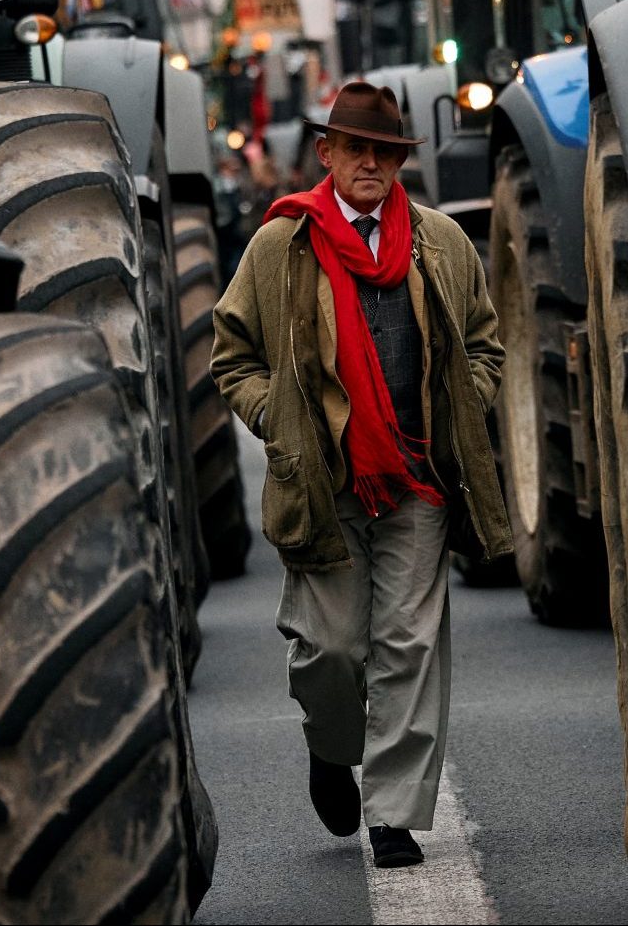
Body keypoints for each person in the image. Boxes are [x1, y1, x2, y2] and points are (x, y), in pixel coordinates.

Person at [209, 82, 510, 868]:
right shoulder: (282, 246)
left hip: (418, 480)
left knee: (408, 644)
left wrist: (460, 406)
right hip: (322, 484)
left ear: (399, 161)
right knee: (331, 650)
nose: (371, 164)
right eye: (357, 151)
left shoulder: (441, 242)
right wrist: (278, 419)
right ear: (328, 156)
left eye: (385, 153)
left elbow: (485, 345)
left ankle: (392, 816)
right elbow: (231, 356)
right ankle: (329, 747)